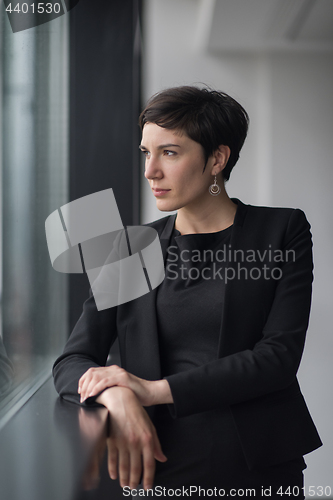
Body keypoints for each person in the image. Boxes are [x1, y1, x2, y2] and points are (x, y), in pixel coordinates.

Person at [53, 86, 322, 498]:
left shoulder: (282, 231)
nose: (151, 171)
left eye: (170, 153)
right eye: (146, 152)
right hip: (153, 468)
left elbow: (278, 358)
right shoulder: (128, 249)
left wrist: (152, 390)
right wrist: (116, 394)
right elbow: (73, 359)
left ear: (217, 159)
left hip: (258, 471)